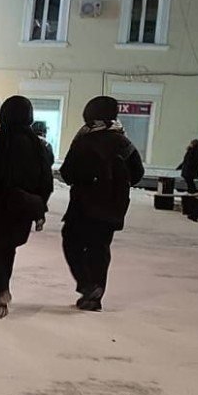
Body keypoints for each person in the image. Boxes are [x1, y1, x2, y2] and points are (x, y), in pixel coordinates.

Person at [0, 96, 54, 319]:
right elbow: (46, 182)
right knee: (7, 249)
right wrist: (37, 205)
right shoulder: (38, 148)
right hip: (21, 209)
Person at [60, 96, 146, 312]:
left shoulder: (83, 140)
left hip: (83, 205)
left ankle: (87, 285)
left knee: (72, 243)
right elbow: (137, 174)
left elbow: (67, 173)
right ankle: (95, 293)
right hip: (112, 207)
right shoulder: (124, 143)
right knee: (100, 248)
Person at [32, 121, 56, 231]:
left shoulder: (29, 142)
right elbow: (51, 160)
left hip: (32, 177)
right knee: (41, 200)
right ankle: (39, 217)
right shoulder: (47, 145)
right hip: (46, 179)